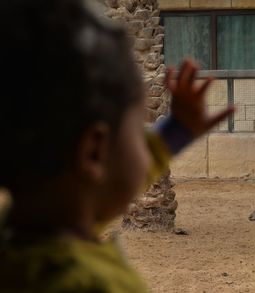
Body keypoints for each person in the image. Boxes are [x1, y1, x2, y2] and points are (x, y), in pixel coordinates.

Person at [0, 0, 233, 291]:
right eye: (138, 130)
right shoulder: (91, 283)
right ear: (94, 152)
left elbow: (105, 181)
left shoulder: (23, 236)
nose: (145, 139)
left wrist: (176, 132)